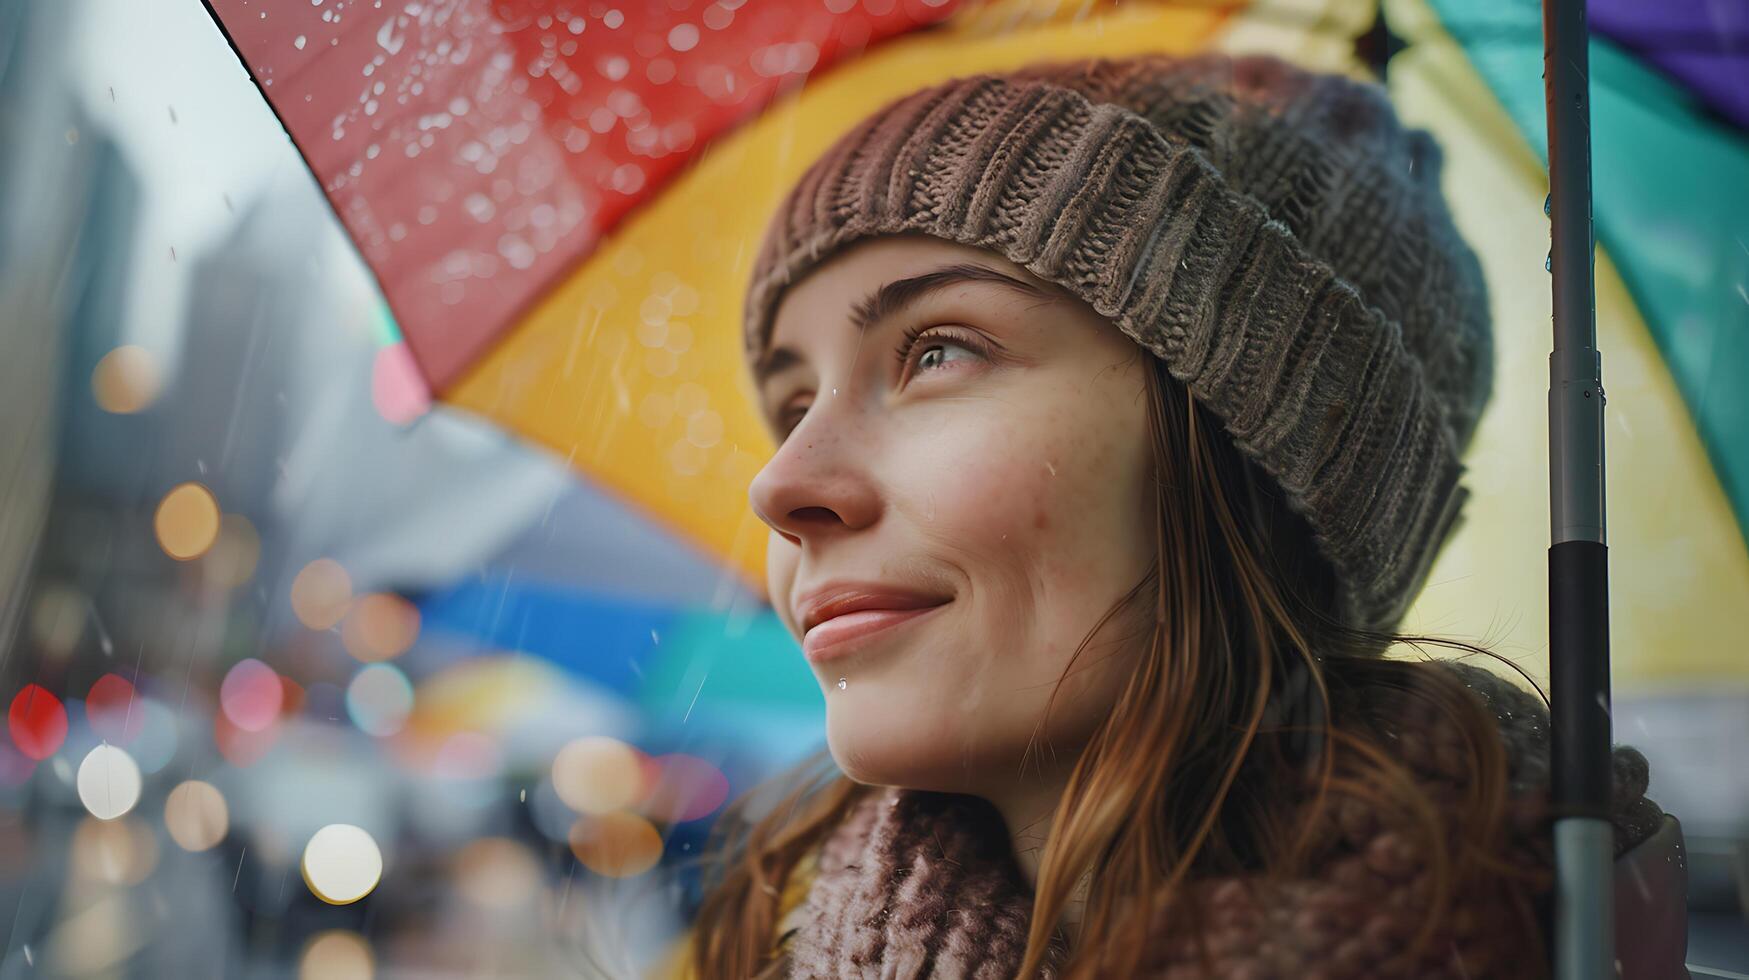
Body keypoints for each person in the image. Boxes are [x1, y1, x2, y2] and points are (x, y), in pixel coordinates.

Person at [662, 52, 1689, 978]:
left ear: (1251, 441)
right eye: (794, 402)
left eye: (938, 350)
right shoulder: (765, 948)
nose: (781, 484)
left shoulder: (1578, 938)